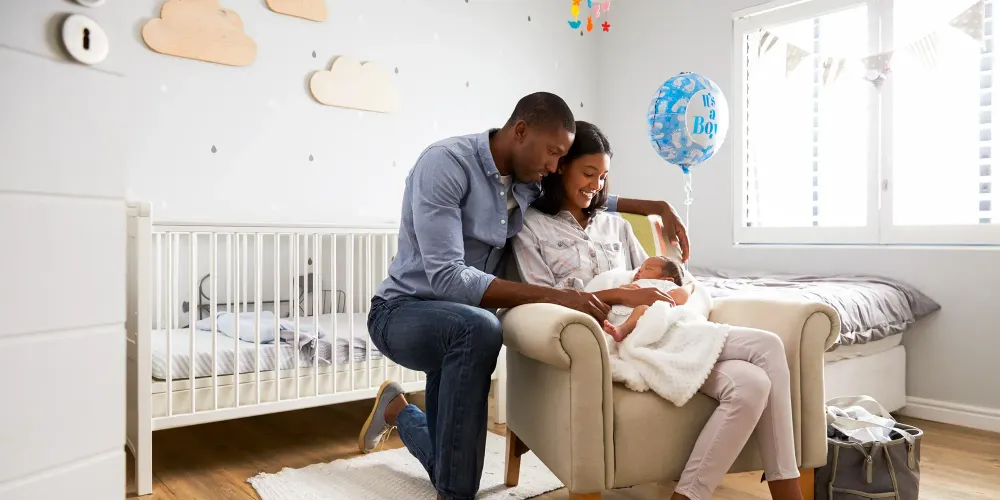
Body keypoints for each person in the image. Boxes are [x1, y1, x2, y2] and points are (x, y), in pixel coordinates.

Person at [360, 93, 689, 500]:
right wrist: (559, 297)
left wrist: (656, 206)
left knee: (453, 464)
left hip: (458, 328)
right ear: (520, 131)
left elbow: (584, 192)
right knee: (482, 325)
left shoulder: (528, 181)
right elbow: (447, 277)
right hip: (403, 313)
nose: (554, 167)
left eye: (561, 158)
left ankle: (398, 411)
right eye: (552, 153)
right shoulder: (445, 164)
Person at [511, 120, 804, 500]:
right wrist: (623, 296)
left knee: (751, 385)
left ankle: (687, 496)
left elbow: (653, 280)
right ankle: (788, 492)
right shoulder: (531, 228)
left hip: (659, 335)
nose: (596, 185)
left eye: (603, 177)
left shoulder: (617, 228)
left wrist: (680, 288)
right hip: (602, 344)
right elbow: (541, 299)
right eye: (588, 173)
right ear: (561, 166)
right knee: (766, 347)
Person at [599, 255, 692, 342]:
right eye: (640, 268)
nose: (639, 271)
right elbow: (614, 294)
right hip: (614, 316)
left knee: (643, 308)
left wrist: (689, 287)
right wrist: (625, 288)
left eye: (648, 268)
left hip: (639, 318)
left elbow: (680, 296)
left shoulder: (663, 284)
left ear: (667, 279)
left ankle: (623, 330)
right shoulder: (630, 283)